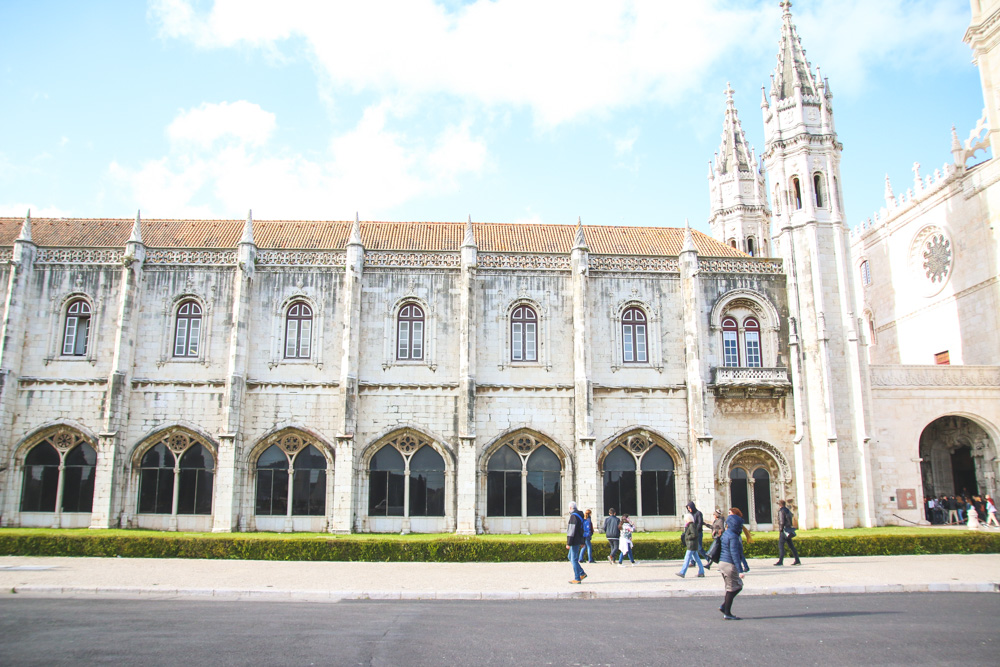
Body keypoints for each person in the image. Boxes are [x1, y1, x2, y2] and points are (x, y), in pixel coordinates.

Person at [718, 509, 747, 620]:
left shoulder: (726, 534)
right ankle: (726, 611)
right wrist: (740, 570)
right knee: (735, 588)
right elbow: (735, 553)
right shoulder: (734, 536)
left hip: (722, 562)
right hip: (729, 564)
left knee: (731, 587)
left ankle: (725, 607)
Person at [676, 512, 705, 578]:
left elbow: (694, 534)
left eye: (685, 519)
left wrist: (687, 537)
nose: (685, 520)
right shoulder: (691, 525)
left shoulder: (691, 525)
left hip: (691, 545)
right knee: (697, 559)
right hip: (693, 545)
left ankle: (682, 572)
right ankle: (701, 572)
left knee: (686, 559)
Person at [566, 501, 588, 584]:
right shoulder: (580, 516)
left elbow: (571, 531)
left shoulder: (573, 517)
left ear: (571, 508)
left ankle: (577, 578)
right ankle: (582, 573)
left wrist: (568, 542)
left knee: (574, 559)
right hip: (578, 539)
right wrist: (582, 541)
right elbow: (581, 530)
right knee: (570, 557)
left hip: (574, 540)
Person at [774, 499, 801, 566]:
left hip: (784, 530)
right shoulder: (788, 510)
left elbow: (782, 521)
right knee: (791, 546)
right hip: (788, 530)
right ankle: (797, 559)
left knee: (781, 545)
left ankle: (780, 561)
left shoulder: (781, 511)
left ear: (780, 505)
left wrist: (781, 529)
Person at [686, 501, 710, 569]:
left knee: (699, 548)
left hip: (698, 533)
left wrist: (695, 530)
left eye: (689, 508)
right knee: (691, 547)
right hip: (692, 532)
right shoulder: (690, 514)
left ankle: (708, 558)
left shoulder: (698, 513)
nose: (689, 509)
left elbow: (700, 523)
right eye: (688, 508)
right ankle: (693, 562)